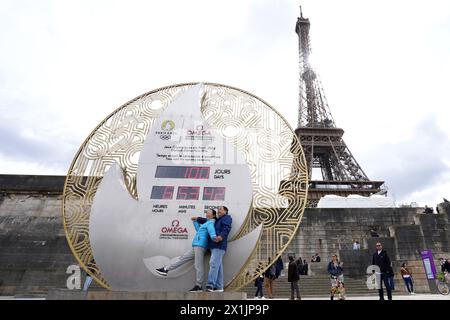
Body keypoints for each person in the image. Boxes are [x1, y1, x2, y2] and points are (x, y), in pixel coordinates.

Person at [156, 209, 217, 292]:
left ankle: (198, 286)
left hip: (200, 246)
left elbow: (211, 231)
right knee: (183, 258)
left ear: (213, 215)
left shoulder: (210, 223)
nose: (207, 213)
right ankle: (166, 269)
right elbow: (199, 230)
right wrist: (195, 222)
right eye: (206, 212)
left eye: (209, 212)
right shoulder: (206, 223)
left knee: (198, 266)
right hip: (196, 245)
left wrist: (214, 236)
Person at [196, 206, 232, 292]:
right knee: (218, 266)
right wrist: (197, 218)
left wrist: (221, 237)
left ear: (225, 211)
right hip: (213, 246)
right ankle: (219, 287)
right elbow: (207, 220)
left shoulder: (226, 218)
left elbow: (226, 228)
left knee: (213, 263)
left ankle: (210, 285)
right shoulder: (217, 220)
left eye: (220, 209)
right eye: (218, 209)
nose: (218, 210)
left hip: (219, 245)